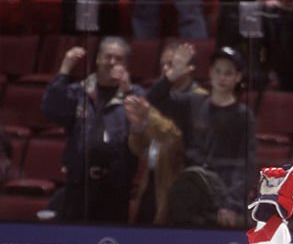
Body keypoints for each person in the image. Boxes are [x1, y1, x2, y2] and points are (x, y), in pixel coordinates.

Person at [147, 45, 256, 227]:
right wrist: (172, 76)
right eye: (218, 71)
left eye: (228, 73)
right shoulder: (193, 102)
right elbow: (155, 99)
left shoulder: (243, 116)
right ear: (210, 73)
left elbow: (245, 164)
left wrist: (232, 204)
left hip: (222, 197)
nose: (222, 78)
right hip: (190, 193)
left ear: (238, 77)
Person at [41, 37, 145, 223]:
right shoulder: (79, 91)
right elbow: (51, 109)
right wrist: (65, 69)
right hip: (79, 185)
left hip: (115, 188)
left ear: (126, 64)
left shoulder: (136, 94)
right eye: (108, 57)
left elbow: (144, 133)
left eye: (118, 58)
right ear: (97, 59)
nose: (112, 62)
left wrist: (127, 90)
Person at [124, 39, 206, 225]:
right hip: (152, 180)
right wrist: (137, 127)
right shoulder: (157, 96)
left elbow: (175, 139)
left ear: (189, 68)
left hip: (180, 183)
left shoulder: (199, 99)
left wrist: (148, 119)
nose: (166, 70)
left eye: (172, 64)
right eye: (163, 65)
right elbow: (138, 148)